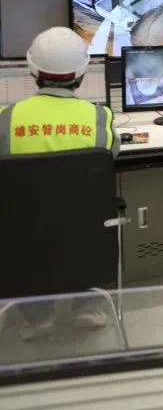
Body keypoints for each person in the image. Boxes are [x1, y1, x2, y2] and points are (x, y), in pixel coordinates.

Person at [0, 27, 120, 338]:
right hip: (83, 238)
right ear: (81, 74)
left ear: (32, 71)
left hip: (23, 241)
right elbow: (108, 156)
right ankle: (88, 306)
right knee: (86, 219)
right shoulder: (100, 118)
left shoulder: (5, 119)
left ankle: (36, 315)